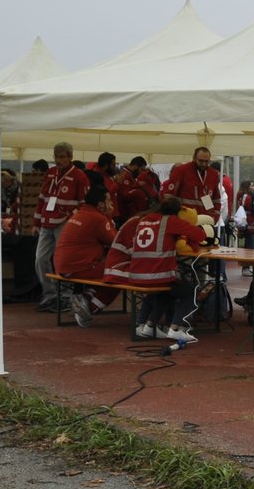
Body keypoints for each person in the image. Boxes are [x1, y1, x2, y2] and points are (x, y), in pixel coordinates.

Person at [103, 195, 206, 344]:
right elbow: (200, 235)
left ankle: (149, 325)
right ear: (177, 212)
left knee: (166, 291)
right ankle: (176, 328)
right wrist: (182, 234)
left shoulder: (144, 220)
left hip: (137, 274)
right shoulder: (171, 221)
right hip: (158, 273)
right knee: (190, 291)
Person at [52, 185, 119, 327]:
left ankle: (85, 298)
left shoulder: (81, 213)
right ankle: (88, 308)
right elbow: (116, 242)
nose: (111, 204)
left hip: (63, 265)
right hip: (78, 266)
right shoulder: (98, 219)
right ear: (101, 204)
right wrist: (109, 217)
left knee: (108, 271)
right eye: (109, 200)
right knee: (119, 274)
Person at [35, 143, 90, 311]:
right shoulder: (51, 173)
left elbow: (84, 203)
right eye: (56, 157)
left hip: (65, 223)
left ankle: (65, 296)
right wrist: (36, 221)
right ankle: (51, 294)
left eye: (62, 157)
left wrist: (72, 219)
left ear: (70, 157)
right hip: (47, 222)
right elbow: (42, 198)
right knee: (40, 259)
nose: (59, 160)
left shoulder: (80, 176)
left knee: (63, 260)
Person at [161, 146, 224, 230]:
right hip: (184, 220)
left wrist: (214, 217)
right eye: (201, 161)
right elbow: (168, 195)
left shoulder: (213, 174)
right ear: (194, 158)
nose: (204, 164)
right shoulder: (181, 171)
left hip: (204, 222)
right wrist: (176, 216)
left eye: (207, 161)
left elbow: (216, 199)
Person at [115, 156, 160, 223]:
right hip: (125, 213)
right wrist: (138, 186)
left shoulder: (130, 176)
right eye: (141, 169)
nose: (141, 172)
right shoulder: (125, 175)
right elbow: (124, 196)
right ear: (135, 165)